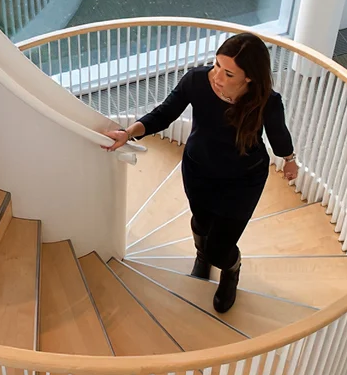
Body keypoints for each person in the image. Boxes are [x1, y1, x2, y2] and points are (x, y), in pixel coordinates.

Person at [104, 32, 299, 313]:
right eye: (217, 65)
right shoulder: (197, 80)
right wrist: (129, 133)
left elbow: (279, 137)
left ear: (250, 78)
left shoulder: (266, 101)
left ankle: (230, 270)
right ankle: (202, 256)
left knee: (221, 246)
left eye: (228, 73)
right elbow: (164, 112)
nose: (217, 77)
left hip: (243, 181)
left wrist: (289, 160)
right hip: (198, 170)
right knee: (201, 225)